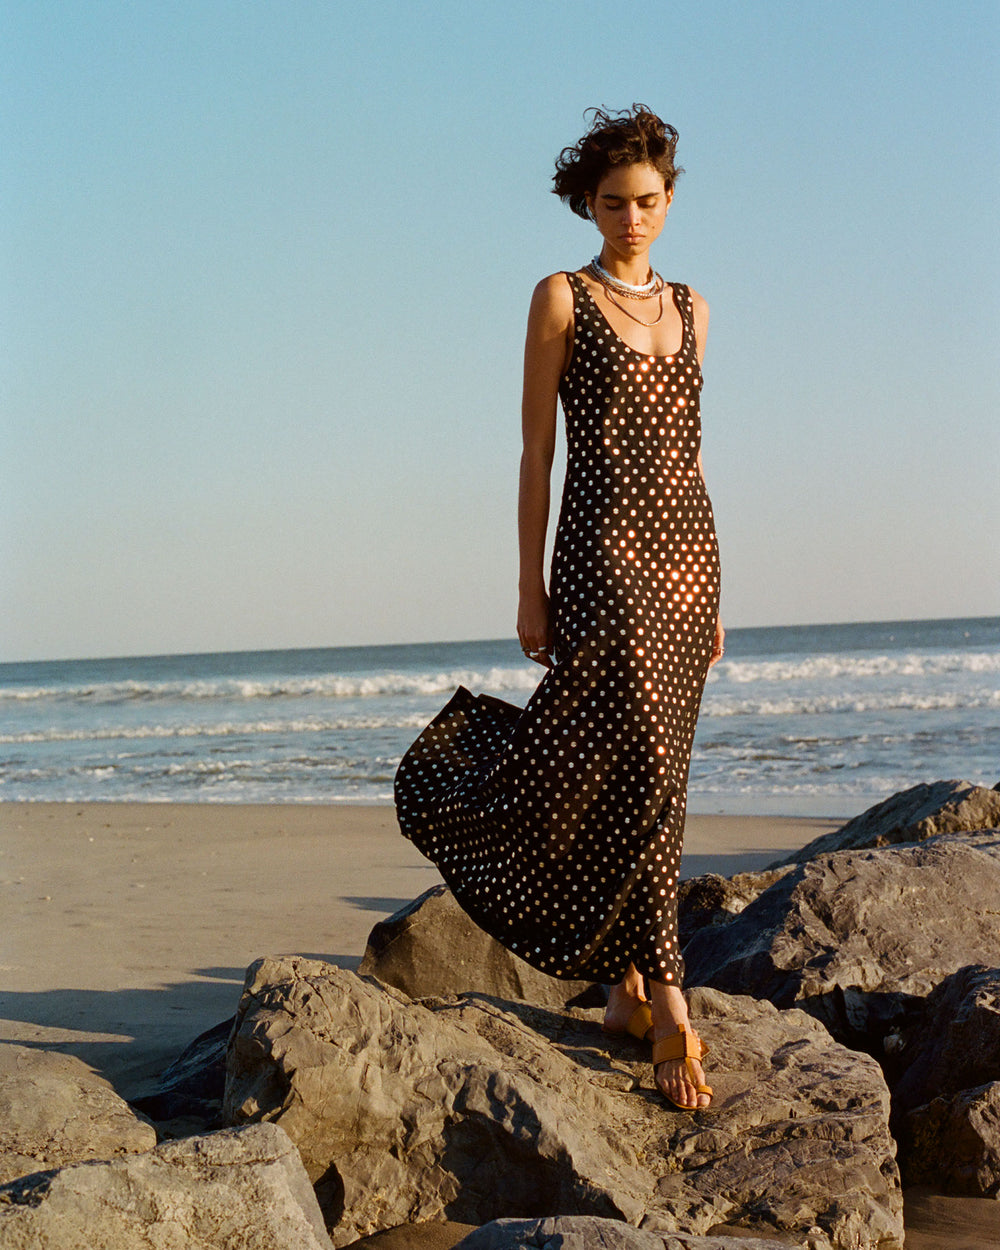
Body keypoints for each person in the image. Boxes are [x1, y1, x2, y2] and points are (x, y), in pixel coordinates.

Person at [395, 105, 723, 1111]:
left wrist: (719, 584)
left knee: (644, 764)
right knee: (640, 766)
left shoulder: (696, 308)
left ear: (669, 202)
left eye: (650, 202)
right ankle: (669, 997)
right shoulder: (559, 298)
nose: (634, 219)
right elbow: (537, 452)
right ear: (588, 202)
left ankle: (626, 987)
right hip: (598, 562)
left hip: (684, 566)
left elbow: (693, 452)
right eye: (617, 203)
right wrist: (528, 582)